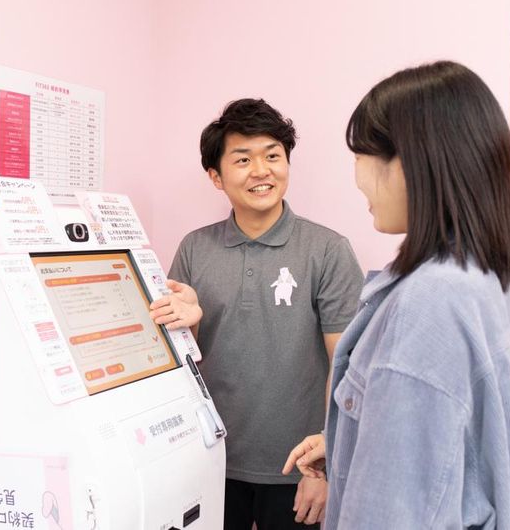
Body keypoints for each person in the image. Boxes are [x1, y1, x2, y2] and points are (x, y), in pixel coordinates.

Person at [283, 61, 510, 529]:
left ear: (409, 163)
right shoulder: (482, 276)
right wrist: (352, 440)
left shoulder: (429, 303)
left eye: (362, 156)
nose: (357, 178)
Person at [150, 98, 364, 529]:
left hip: (298, 466)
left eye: (272, 156)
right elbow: (175, 361)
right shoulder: (195, 247)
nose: (262, 171)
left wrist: (326, 466)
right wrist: (190, 323)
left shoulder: (328, 250)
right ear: (216, 176)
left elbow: (347, 366)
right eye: (243, 159)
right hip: (209, 459)